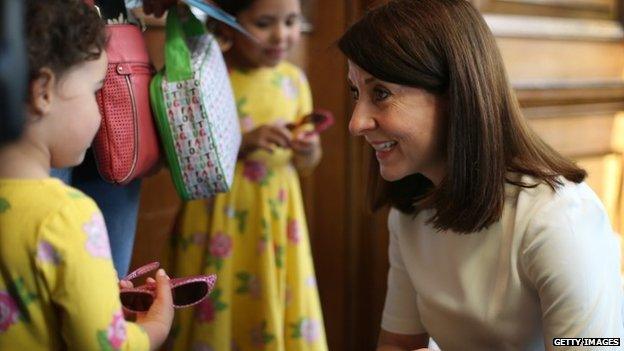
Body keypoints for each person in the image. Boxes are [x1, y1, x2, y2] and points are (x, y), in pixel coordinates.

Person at [338, 0, 624, 350]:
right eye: (356, 92)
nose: (355, 123)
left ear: (455, 95)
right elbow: (399, 343)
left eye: (380, 93)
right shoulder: (411, 209)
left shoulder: (557, 217)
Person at [0, 1, 173, 349]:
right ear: (43, 92)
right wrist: (154, 327)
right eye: (96, 91)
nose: (99, 114)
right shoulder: (67, 217)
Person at [167, 0, 328, 350]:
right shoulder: (210, 75)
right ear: (227, 24)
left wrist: (308, 150)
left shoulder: (293, 81)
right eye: (265, 23)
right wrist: (242, 143)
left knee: (272, 290)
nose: (281, 35)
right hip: (218, 215)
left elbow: (307, 163)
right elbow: (191, 154)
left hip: (275, 214)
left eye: (291, 21)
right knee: (220, 293)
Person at [50, 0, 144, 279]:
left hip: (108, 33)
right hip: (51, 44)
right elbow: (99, 320)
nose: (100, 113)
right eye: (95, 94)